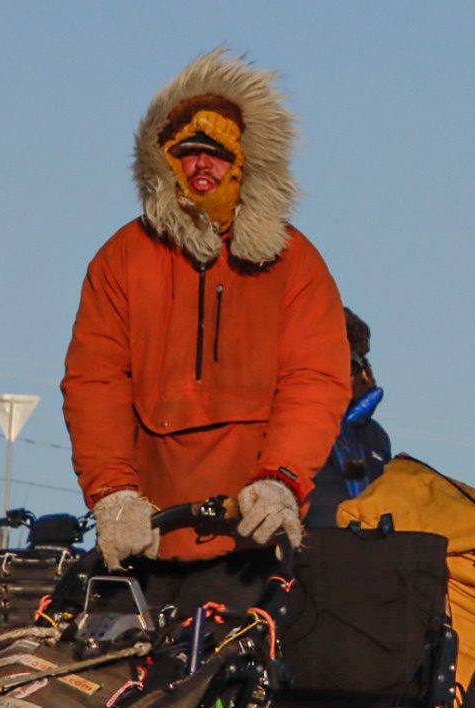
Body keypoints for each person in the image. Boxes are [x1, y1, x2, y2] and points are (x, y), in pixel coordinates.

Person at [61, 49, 350, 610]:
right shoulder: (122, 259)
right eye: (186, 153)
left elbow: (314, 381)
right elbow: (95, 382)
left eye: (217, 155)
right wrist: (113, 492)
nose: (200, 168)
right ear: (162, 162)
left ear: (248, 164)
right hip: (144, 537)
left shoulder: (295, 264)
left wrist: (281, 480)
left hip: (251, 540)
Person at [304, 307, 393, 527]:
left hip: (369, 554)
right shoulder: (285, 423)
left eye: (350, 362)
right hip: (304, 554)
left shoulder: (375, 436)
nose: (337, 371)